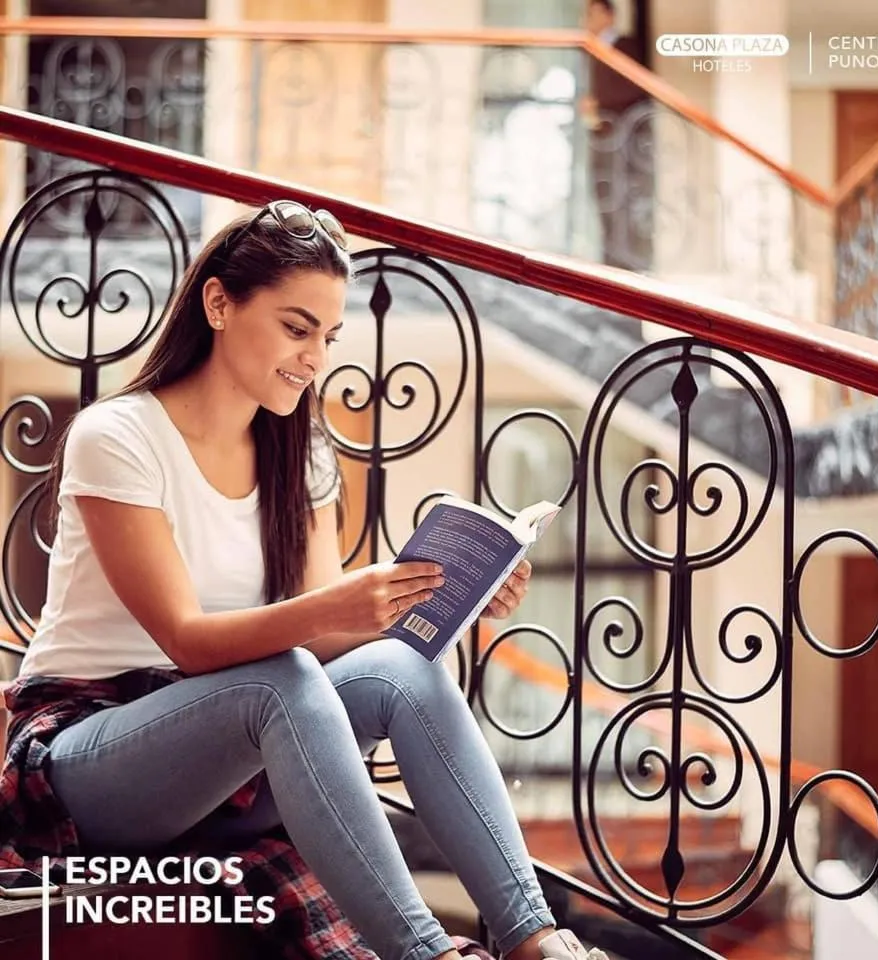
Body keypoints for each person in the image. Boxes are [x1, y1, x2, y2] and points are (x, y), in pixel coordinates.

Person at [2, 200, 611, 960]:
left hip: (236, 766)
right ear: (219, 303)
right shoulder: (118, 437)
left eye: (328, 336)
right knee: (278, 681)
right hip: (90, 756)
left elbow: (324, 637)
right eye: (297, 329)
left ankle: (535, 939)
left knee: (398, 668)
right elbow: (188, 644)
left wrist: (449, 600)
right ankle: (426, 953)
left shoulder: (299, 448)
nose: (315, 357)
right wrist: (335, 606)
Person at [581, 0, 654, 271]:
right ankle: (609, 262)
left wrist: (599, 104)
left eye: (591, 14)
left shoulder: (625, 47)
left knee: (622, 199)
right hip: (601, 137)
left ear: (608, 16)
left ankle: (624, 266)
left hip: (623, 139)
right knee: (603, 196)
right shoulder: (591, 51)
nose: (586, 21)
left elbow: (635, 87)